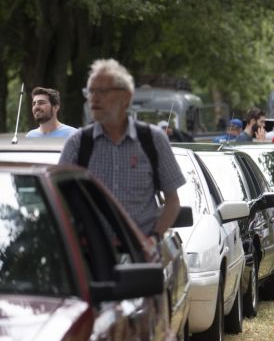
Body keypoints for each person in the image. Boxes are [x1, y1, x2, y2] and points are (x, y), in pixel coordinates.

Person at [60, 58, 185, 241]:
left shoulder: (153, 139)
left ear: (126, 96)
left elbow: (173, 202)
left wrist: (154, 239)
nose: (94, 98)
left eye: (102, 91)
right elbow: (60, 200)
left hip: (141, 256)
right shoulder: (78, 143)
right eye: (90, 91)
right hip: (92, 257)